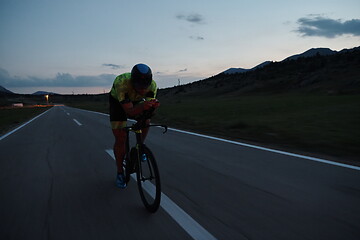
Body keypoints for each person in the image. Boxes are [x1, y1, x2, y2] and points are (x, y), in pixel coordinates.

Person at [109, 63, 160, 188]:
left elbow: (148, 110)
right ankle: (120, 173)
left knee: (146, 120)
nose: (143, 89)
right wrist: (143, 106)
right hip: (118, 103)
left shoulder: (152, 86)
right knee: (121, 139)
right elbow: (129, 112)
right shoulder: (122, 83)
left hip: (136, 100)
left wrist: (152, 108)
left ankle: (140, 147)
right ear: (132, 82)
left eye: (145, 87)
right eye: (139, 86)